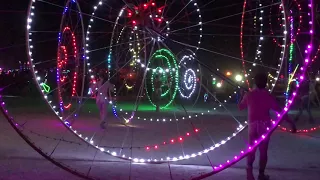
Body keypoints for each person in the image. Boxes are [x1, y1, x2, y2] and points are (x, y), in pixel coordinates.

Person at [238, 72, 296, 180]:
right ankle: (261, 174)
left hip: (252, 125)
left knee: (251, 150)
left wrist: (242, 95)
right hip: (265, 126)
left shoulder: (249, 94)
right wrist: (291, 123)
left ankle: (249, 173)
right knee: (263, 151)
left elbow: (240, 107)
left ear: (255, 82)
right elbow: (280, 111)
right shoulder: (268, 96)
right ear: (265, 83)